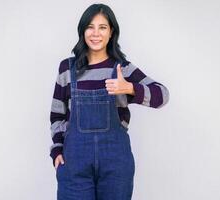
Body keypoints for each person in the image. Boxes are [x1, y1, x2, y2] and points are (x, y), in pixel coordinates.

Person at [49, 3, 169, 200]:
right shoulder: (67, 68)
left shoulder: (122, 69)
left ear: (111, 32)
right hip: (74, 162)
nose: (96, 33)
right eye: (90, 27)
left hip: (116, 163)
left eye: (102, 27)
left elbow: (162, 95)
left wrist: (129, 88)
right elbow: (57, 115)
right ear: (83, 30)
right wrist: (56, 151)